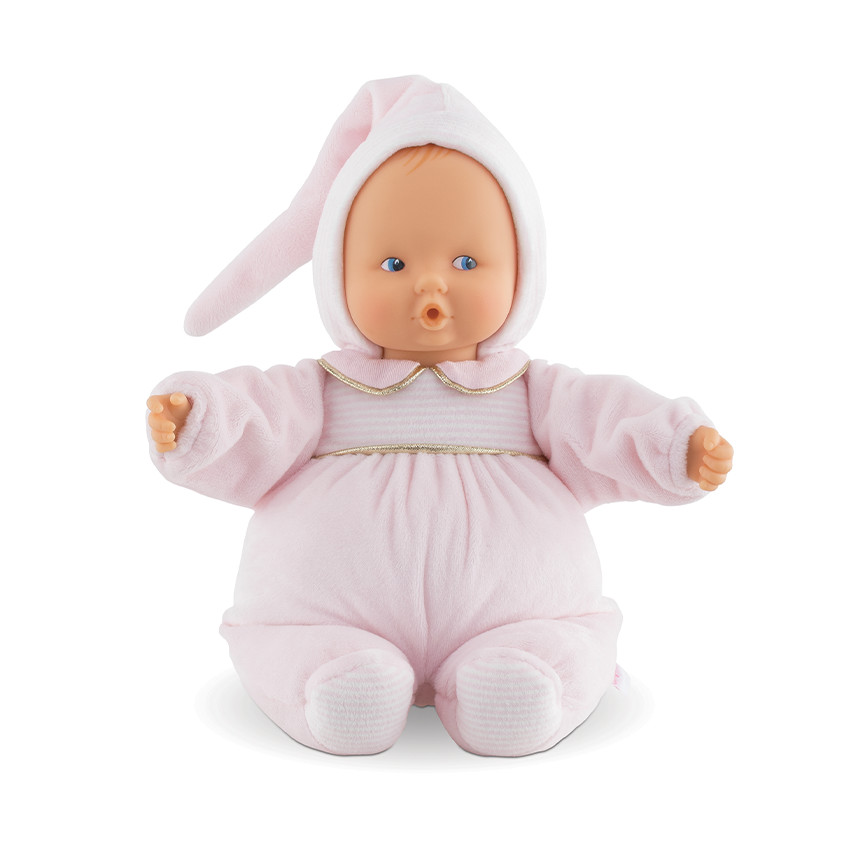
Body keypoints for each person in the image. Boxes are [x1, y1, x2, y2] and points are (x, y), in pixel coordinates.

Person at [147, 78, 733, 757]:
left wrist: (675, 446)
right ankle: (326, 671)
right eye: (394, 262)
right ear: (337, 274)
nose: (432, 284)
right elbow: (255, 414)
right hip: (325, 613)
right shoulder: (321, 390)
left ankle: (524, 672)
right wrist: (199, 419)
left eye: (466, 261)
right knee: (298, 639)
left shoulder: (535, 393)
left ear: (522, 269)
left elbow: (608, 420)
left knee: (551, 641)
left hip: (514, 616)